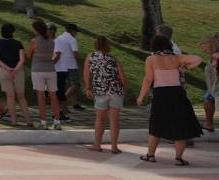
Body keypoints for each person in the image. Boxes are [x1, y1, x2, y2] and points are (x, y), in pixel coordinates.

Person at [137, 34, 203, 166]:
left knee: (156, 123)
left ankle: (150, 155)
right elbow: (198, 59)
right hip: (177, 93)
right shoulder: (176, 58)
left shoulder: (151, 59)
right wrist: (185, 68)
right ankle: (178, 158)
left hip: (161, 94)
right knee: (181, 124)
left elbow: (148, 79)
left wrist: (141, 96)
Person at [83, 36, 125, 153]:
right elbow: (122, 77)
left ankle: (97, 145)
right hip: (116, 91)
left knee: (100, 119)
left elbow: (86, 74)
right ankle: (114, 147)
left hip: (100, 92)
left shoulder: (90, 57)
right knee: (114, 120)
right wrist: (123, 90)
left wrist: (87, 88)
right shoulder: (114, 59)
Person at [0, 22, 31, 127]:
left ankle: (14, 121)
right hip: (18, 72)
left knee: (10, 96)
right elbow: (22, 59)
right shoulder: (18, 44)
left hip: (4, 71)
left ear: (2, 32)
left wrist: (7, 68)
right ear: (13, 32)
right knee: (21, 97)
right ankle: (28, 121)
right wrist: (15, 70)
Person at [28, 19, 62, 130]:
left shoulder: (35, 41)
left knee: (41, 97)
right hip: (51, 69)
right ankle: (57, 122)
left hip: (38, 70)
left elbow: (29, 55)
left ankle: (43, 122)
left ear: (37, 30)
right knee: (54, 96)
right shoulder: (51, 41)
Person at [54, 23, 82, 117]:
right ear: (72, 31)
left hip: (60, 66)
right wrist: (79, 62)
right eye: (76, 32)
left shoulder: (59, 38)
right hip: (71, 65)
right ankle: (62, 102)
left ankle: (75, 103)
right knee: (75, 84)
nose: (76, 34)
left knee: (67, 85)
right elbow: (75, 53)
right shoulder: (72, 39)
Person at [200, 34, 219, 133]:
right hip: (213, 88)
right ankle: (208, 123)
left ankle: (209, 123)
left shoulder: (215, 57)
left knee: (208, 98)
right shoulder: (213, 57)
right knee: (208, 98)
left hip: (216, 89)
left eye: (205, 48)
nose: (204, 51)